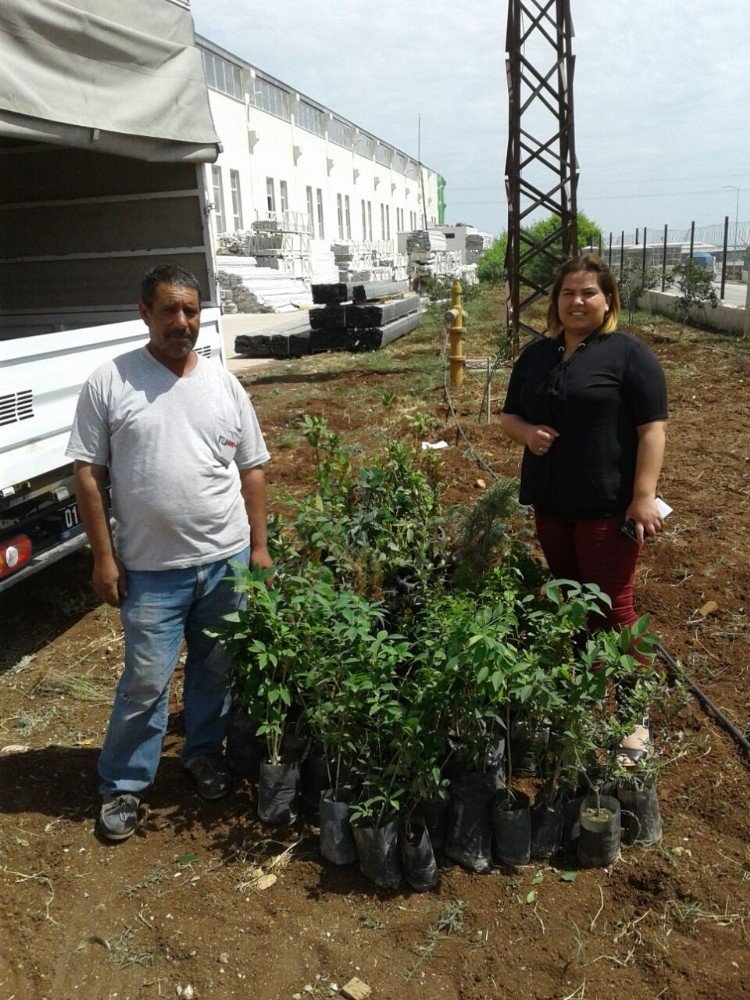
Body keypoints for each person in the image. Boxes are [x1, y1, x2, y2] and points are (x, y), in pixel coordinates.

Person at [66, 263, 271, 841]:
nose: (181, 322)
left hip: (225, 562)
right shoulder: (111, 381)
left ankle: (203, 753)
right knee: (145, 681)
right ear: (144, 314)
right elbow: (87, 474)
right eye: (168, 311)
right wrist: (103, 558)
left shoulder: (223, 382)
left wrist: (258, 547)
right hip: (151, 571)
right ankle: (125, 784)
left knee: (216, 670)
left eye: (190, 310)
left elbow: (251, 469)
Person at [500, 254, 668, 763]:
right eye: (568, 293)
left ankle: (634, 716)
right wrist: (528, 433)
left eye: (588, 293)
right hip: (552, 504)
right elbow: (508, 416)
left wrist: (642, 497)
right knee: (572, 604)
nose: (577, 301)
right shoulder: (537, 355)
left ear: (608, 300)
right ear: (556, 301)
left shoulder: (628, 356)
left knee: (612, 607)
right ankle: (585, 700)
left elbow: (652, 430)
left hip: (606, 506)